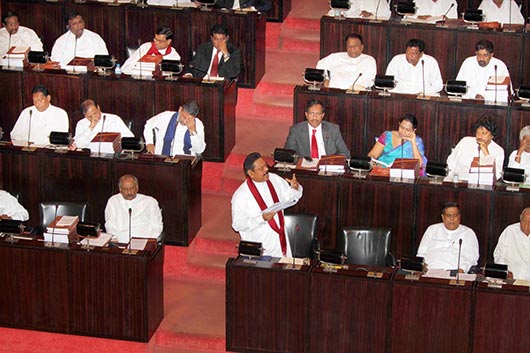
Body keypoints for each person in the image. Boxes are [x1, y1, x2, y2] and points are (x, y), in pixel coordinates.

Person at [231, 152, 303, 257]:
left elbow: (290, 197)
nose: (266, 170)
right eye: (261, 168)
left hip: (282, 242)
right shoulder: (241, 195)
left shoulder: (274, 179)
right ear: (251, 173)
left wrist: (295, 188)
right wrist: (261, 219)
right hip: (261, 250)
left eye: (265, 165)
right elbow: (237, 225)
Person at [417, 202, 479, 273]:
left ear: (459, 217)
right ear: (443, 217)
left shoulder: (468, 233)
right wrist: (421, 266)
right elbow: (421, 253)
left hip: (455, 273)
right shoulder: (432, 229)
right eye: (448, 215)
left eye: (455, 215)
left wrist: (462, 269)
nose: (452, 218)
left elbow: (472, 258)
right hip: (429, 271)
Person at [105, 174, 163, 243]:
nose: (129, 192)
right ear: (120, 189)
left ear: (137, 187)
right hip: (120, 242)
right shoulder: (113, 201)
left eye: (132, 188)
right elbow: (110, 224)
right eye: (125, 189)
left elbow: (157, 225)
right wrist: (114, 239)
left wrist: (151, 241)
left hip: (144, 242)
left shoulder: (150, 202)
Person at [284, 99, 351, 159]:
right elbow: (289, 155)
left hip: (327, 167)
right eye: (312, 113)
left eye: (318, 114)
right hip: (305, 168)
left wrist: (331, 162)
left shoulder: (333, 130)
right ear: (306, 114)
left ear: (322, 115)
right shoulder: (295, 131)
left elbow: (345, 153)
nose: (315, 117)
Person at [446, 115, 504, 181]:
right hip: (458, 182)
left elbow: (496, 175)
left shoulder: (498, 151)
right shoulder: (465, 141)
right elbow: (450, 164)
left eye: (483, 133)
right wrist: (450, 180)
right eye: (477, 132)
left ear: (492, 135)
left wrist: (486, 153)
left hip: (483, 186)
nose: (479, 136)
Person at [494, 208, 530, 280]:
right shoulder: (510, 231)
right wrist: (505, 271)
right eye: (523, 221)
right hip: (511, 280)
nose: (526, 226)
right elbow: (499, 256)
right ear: (520, 219)